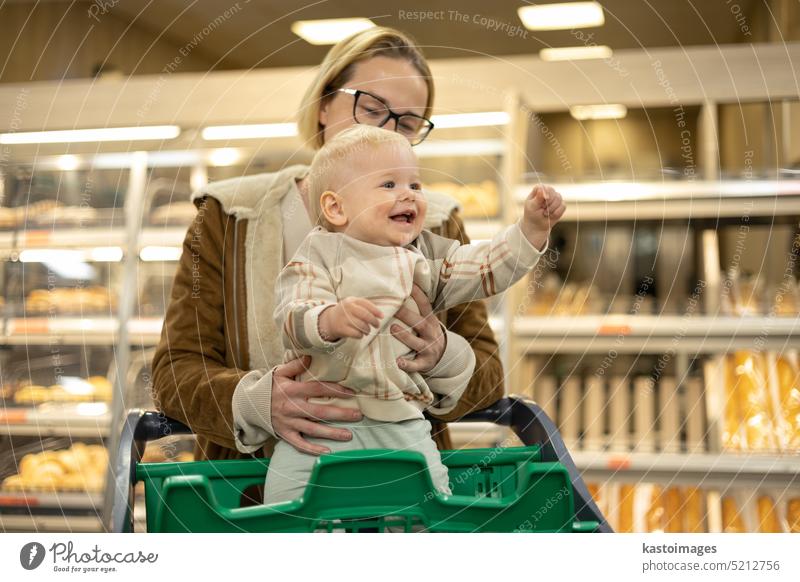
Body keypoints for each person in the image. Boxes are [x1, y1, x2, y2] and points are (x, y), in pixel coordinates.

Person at [151, 27, 509, 463]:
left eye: (409, 123)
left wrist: (443, 359)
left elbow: (490, 371)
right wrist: (258, 403)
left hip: (402, 493)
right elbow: (174, 370)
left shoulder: (436, 221)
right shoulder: (229, 216)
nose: (387, 131)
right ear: (323, 104)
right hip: (255, 498)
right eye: (372, 107)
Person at [262, 125, 564, 504]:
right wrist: (329, 319)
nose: (408, 194)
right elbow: (292, 316)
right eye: (388, 184)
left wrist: (530, 231)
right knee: (288, 512)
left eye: (415, 186)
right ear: (336, 208)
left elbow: (483, 266)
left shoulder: (423, 260)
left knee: (427, 508)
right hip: (319, 425)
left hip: (401, 422)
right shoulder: (315, 257)